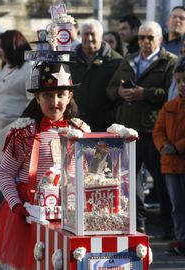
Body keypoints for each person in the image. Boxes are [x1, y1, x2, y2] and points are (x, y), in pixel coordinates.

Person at [0, 61, 88, 270]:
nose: (54, 101)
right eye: (47, 95)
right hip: (29, 215)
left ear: (70, 96)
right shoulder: (24, 133)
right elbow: (4, 173)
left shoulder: (80, 131)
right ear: (37, 98)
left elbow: (85, 174)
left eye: (60, 94)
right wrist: (16, 204)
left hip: (69, 216)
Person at [108, 21, 177, 237]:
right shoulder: (129, 60)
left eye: (150, 38)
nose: (145, 42)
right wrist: (119, 92)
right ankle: (138, 225)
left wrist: (143, 94)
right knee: (131, 183)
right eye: (141, 38)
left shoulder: (170, 62)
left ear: (160, 39)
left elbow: (171, 93)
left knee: (162, 182)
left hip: (154, 130)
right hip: (129, 132)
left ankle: (169, 227)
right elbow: (109, 89)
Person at [0, 30, 34, 166]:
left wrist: (17, 129)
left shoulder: (29, 68)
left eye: (1, 47)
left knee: (8, 185)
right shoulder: (5, 68)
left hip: (13, 140)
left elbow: (33, 102)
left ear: (12, 47)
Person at [153, 63, 185, 255]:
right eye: (178, 81)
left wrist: (176, 147)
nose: (182, 85)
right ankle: (181, 239)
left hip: (178, 158)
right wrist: (163, 146)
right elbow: (158, 130)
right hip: (170, 164)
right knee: (177, 205)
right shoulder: (170, 105)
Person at [69, 19, 122, 132]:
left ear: (101, 36)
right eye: (86, 34)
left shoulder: (115, 61)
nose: (89, 38)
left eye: (93, 34)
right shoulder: (70, 60)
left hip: (105, 126)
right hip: (76, 124)